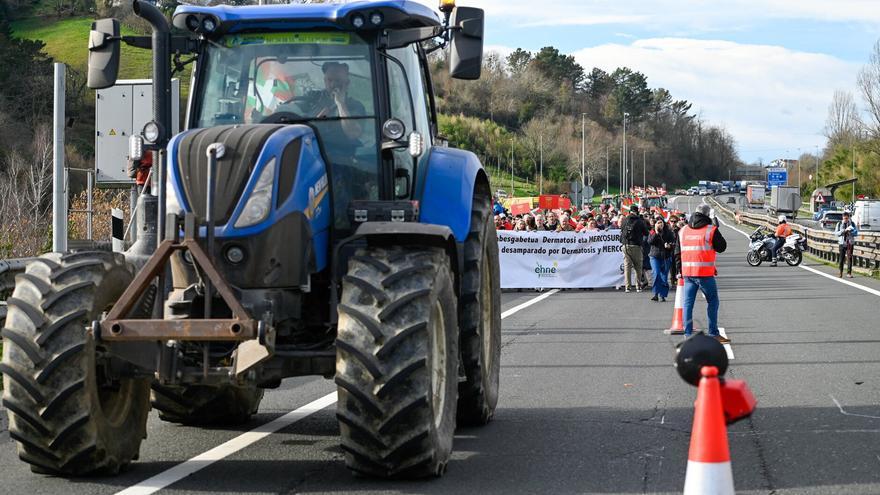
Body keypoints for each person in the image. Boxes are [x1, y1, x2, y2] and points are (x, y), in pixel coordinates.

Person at [674, 204, 728, 343]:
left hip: (688, 273)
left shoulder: (683, 230)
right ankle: (713, 333)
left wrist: (679, 270)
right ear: (707, 215)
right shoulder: (710, 230)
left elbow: (677, 253)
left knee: (687, 304)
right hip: (704, 273)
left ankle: (687, 334)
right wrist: (714, 223)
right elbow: (722, 247)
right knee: (713, 301)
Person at [619, 205, 649, 292]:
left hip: (625, 245)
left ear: (629, 211)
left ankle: (627, 287)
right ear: (637, 211)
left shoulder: (625, 220)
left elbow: (621, 230)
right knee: (638, 267)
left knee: (627, 267)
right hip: (636, 245)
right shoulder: (639, 221)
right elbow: (646, 233)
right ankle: (638, 286)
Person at [647, 218, 675, 302]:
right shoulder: (652, 232)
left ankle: (662, 295)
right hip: (655, 256)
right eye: (658, 223)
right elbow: (650, 241)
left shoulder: (669, 232)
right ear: (655, 224)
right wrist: (656, 232)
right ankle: (655, 293)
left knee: (664, 277)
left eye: (661, 223)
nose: (660, 224)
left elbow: (673, 243)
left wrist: (669, 246)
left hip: (666, 257)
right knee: (656, 274)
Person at [834, 211, 859, 278]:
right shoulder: (839, 224)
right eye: (845, 218)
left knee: (849, 258)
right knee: (841, 258)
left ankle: (849, 273)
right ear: (843, 218)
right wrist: (843, 231)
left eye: (847, 218)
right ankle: (840, 272)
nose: (846, 220)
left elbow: (856, 233)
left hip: (850, 243)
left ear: (849, 218)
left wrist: (851, 232)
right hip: (842, 243)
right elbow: (836, 233)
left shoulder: (852, 224)